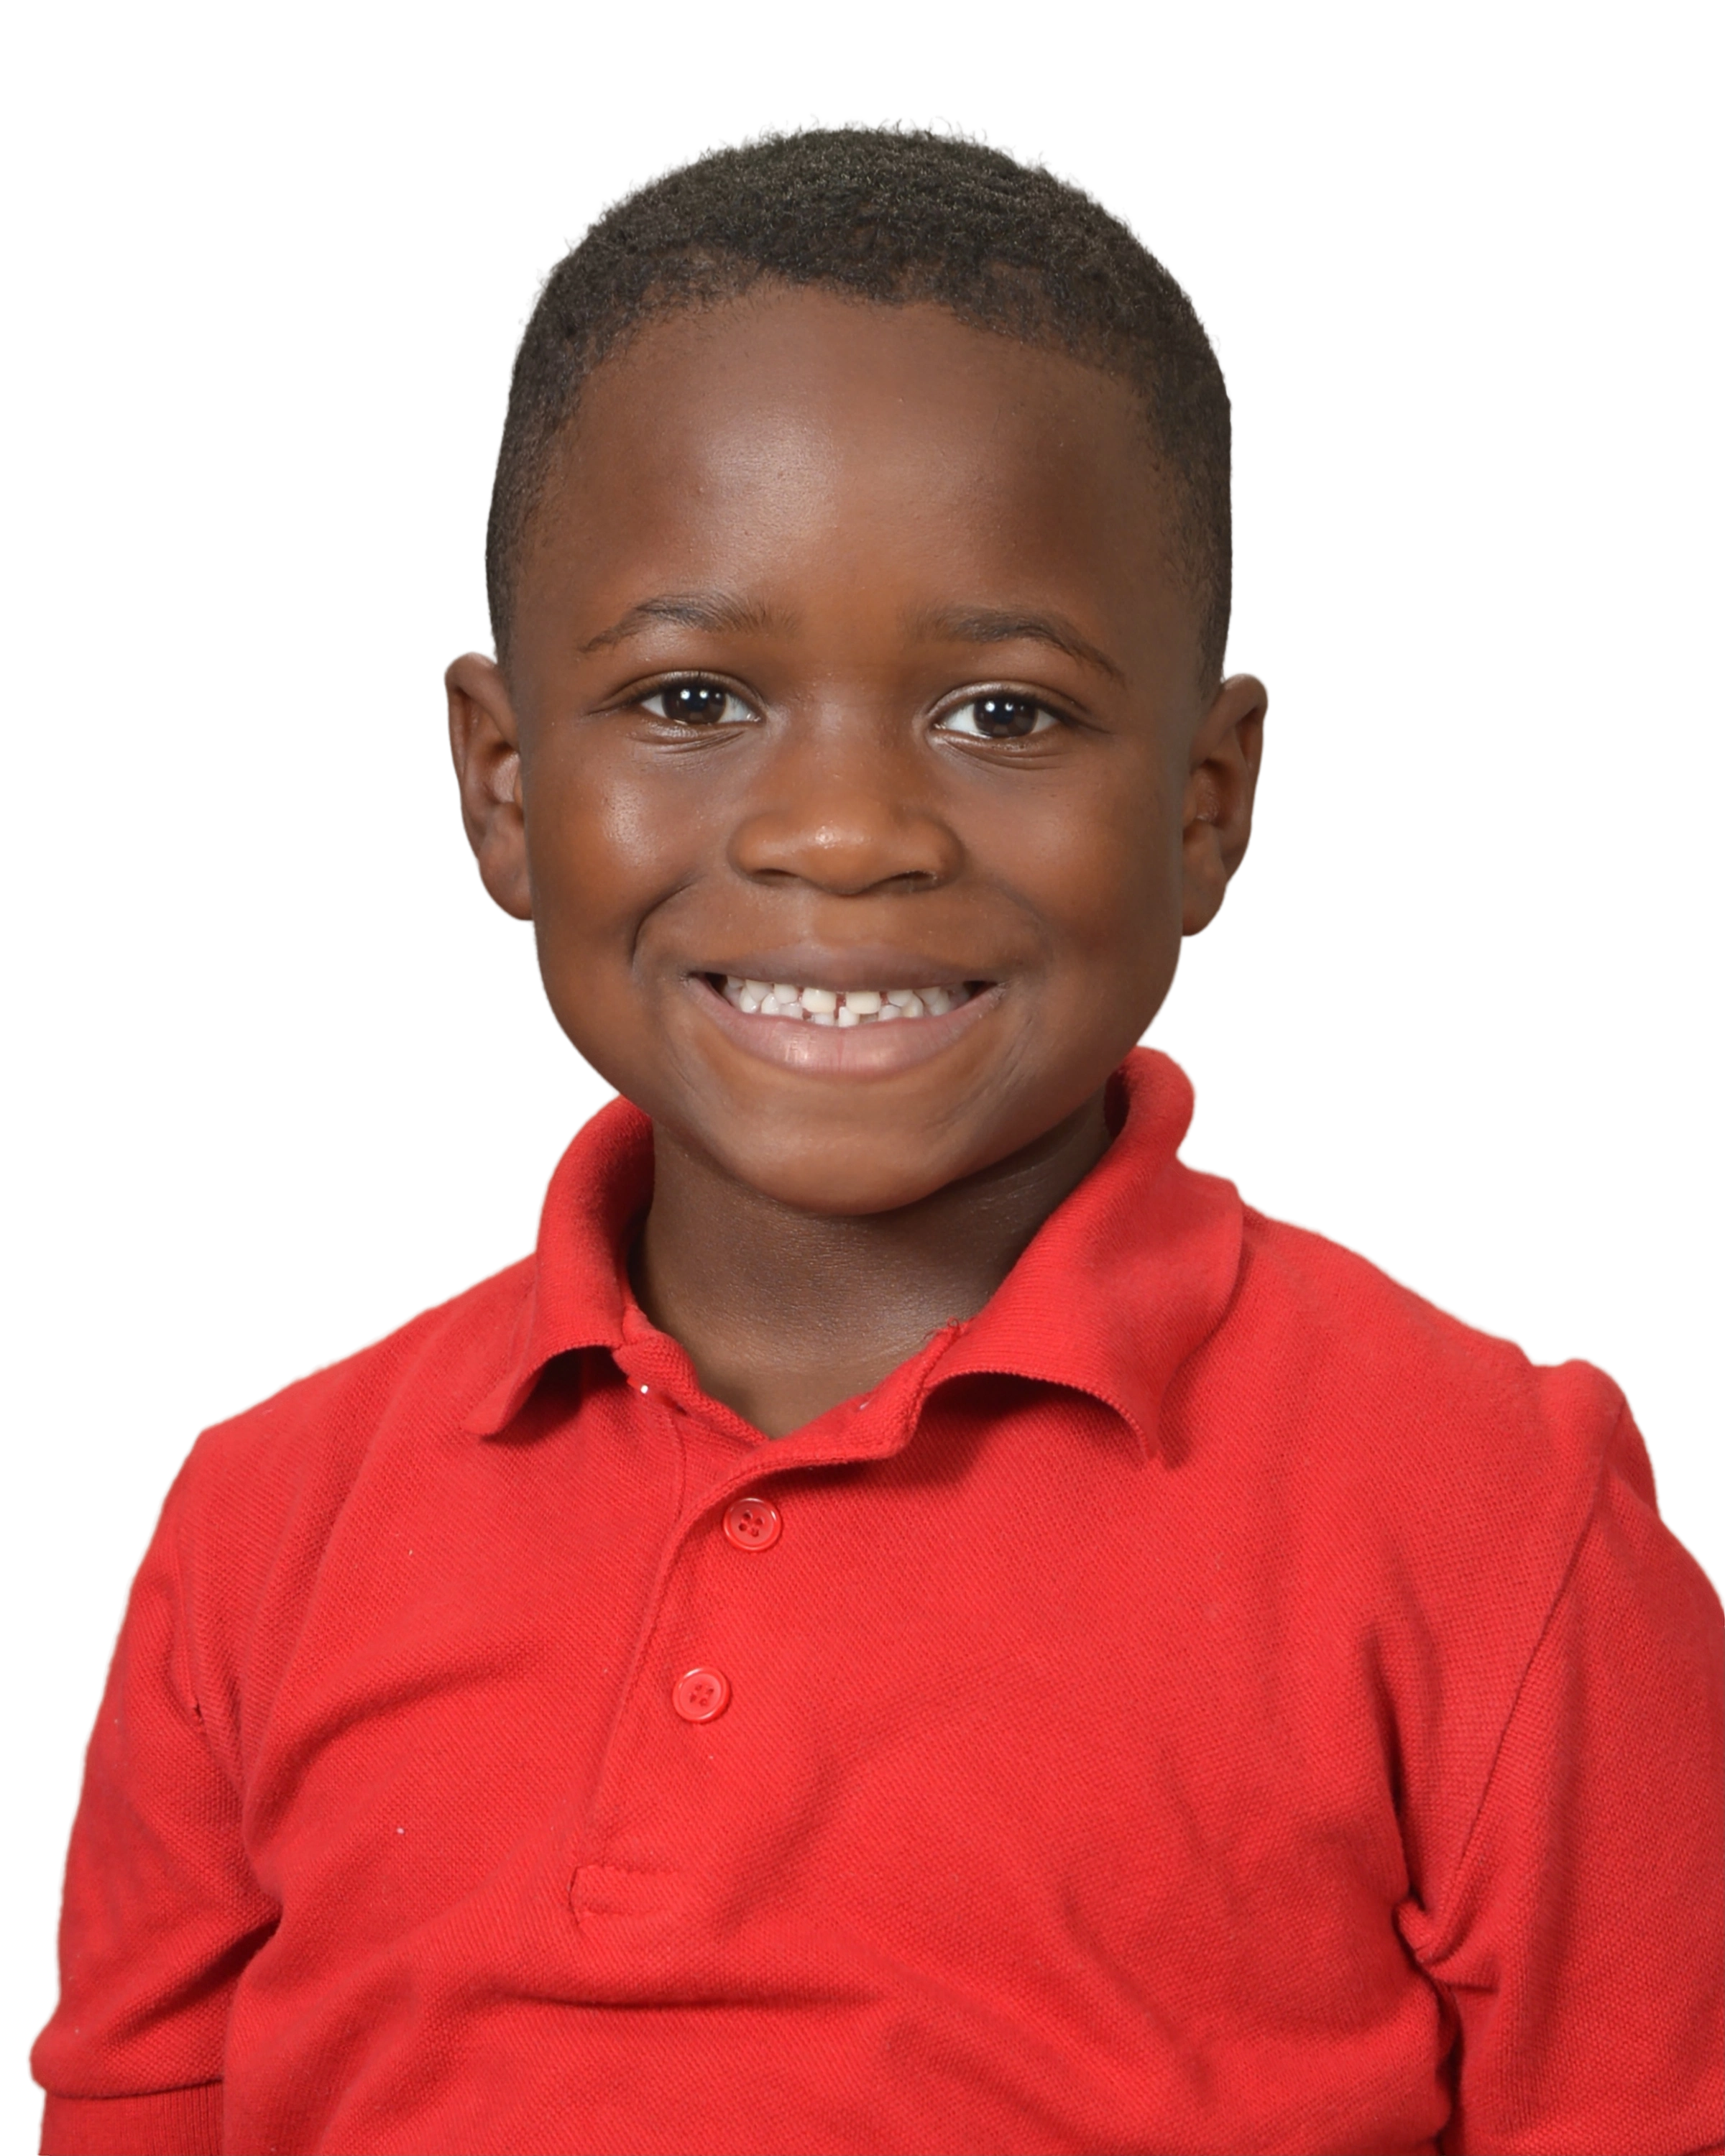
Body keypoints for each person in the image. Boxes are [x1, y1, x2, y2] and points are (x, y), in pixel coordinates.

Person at [27, 112, 1724, 2156]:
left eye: (1005, 713)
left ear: (1206, 806)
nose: (843, 835)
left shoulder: (1494, 1522)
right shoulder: (264, 1528)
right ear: (500, 783)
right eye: (692, 700)